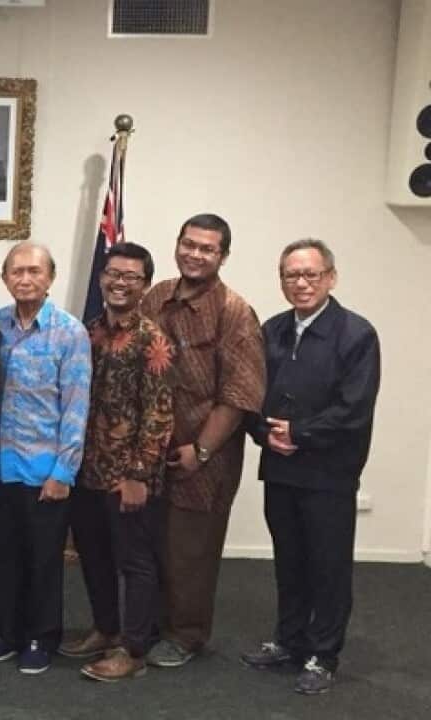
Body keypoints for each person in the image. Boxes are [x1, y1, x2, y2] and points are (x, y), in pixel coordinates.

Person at [240, 239, 380, 696]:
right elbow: (251, 395)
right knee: (290, 562)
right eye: (290, 275)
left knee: (328, 567)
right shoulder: (272, 330)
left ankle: (323, 654)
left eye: (310, 275)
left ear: (331, 278)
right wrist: (264, 433)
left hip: (329, 474)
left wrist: (296, 433)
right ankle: (289, 640)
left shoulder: (357, 335)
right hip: (280, 471)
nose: (300, 283)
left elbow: (353, 409)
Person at [139, 213, 265, 668]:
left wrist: (203, 450)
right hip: (149, 451)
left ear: (223, 256)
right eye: (189, 244)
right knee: (151, 543)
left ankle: (186, 636)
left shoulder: (234, 312)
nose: (195, 253)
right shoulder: (156, 296)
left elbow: (240, 393)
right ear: (177, 244)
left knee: (190, 549)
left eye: (207, 248)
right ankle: (148, 626)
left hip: (203, 454)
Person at [61, 243, 174, 682]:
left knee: (136, 563)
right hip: (87, 470)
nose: (119, 283)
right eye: (113, 274)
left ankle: (134, 647)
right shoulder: (88, 332)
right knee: (93, 556)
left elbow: (160, 414)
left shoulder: (153, 339)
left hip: (129, 477)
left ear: (144, 285)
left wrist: (139, 475)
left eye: (130, 276)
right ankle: (105, 628)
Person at [0, 242, 91, 675]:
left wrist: (64, 470)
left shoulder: (70, 332)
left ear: (50, 278)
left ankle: (41, 637)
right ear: (5, 277)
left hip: (45, 471)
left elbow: (76, 407)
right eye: (17, 271)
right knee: (2, 556)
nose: (25, 279)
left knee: (43, 560)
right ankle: (8, 633)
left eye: (34, 271)